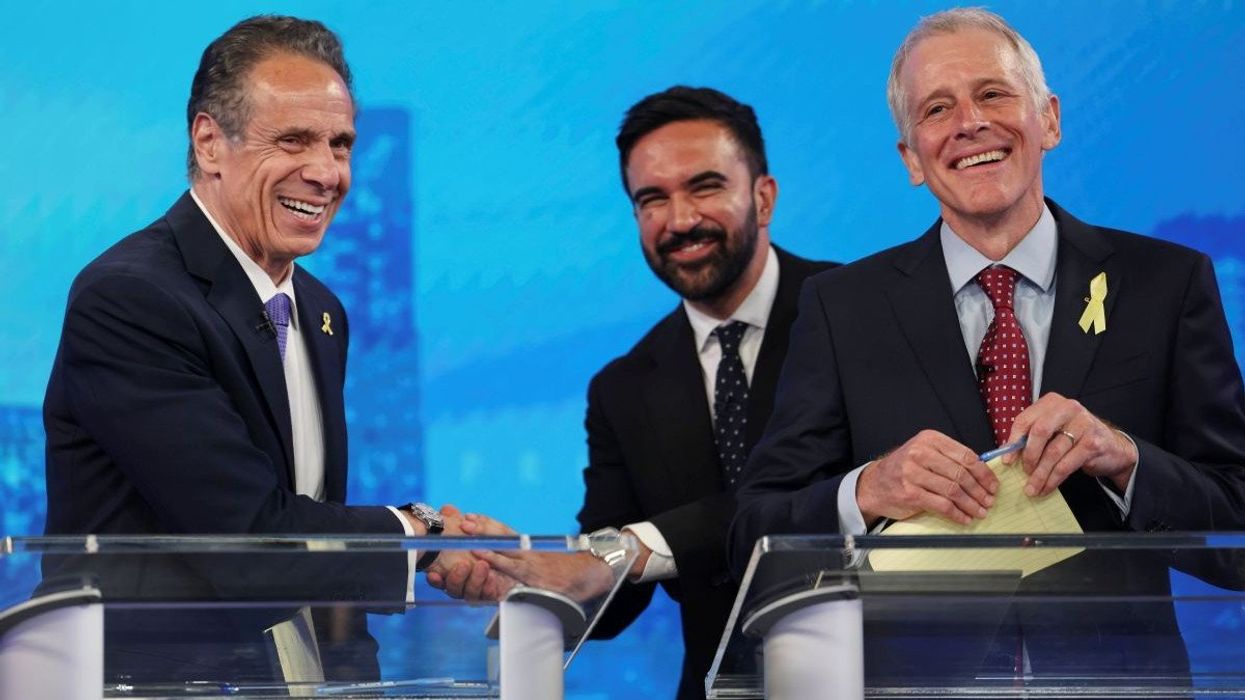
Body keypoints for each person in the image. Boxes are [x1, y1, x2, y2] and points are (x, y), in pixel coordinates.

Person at [729, 7, 1245, 681]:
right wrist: (868, 489)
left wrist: (1123, 461)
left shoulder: (1166, 284)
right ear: (911, 159)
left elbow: (1236, 531)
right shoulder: (842, 307)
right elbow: (751, 534)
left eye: (992, 93)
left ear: (1049, 120)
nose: (968, 122)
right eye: (935, 108)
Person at [41, 14, 491, 682]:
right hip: (156, 684)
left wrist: (353, 683)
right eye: (294, 140)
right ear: (209, 141)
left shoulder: (319, 309)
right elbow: (249, 534)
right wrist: (422, 533)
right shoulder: (131, 297)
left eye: (340, 145)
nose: (326, 172)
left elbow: (311, 530)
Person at [573, 86, 834, 699]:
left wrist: (631, 549)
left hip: (880, 679)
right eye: (652, 199)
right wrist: (530, 568)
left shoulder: (861, 311)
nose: (681, 219)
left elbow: (821, 499)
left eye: (705, 186)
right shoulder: (622, 387)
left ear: (763, 197)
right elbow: (609, 602)